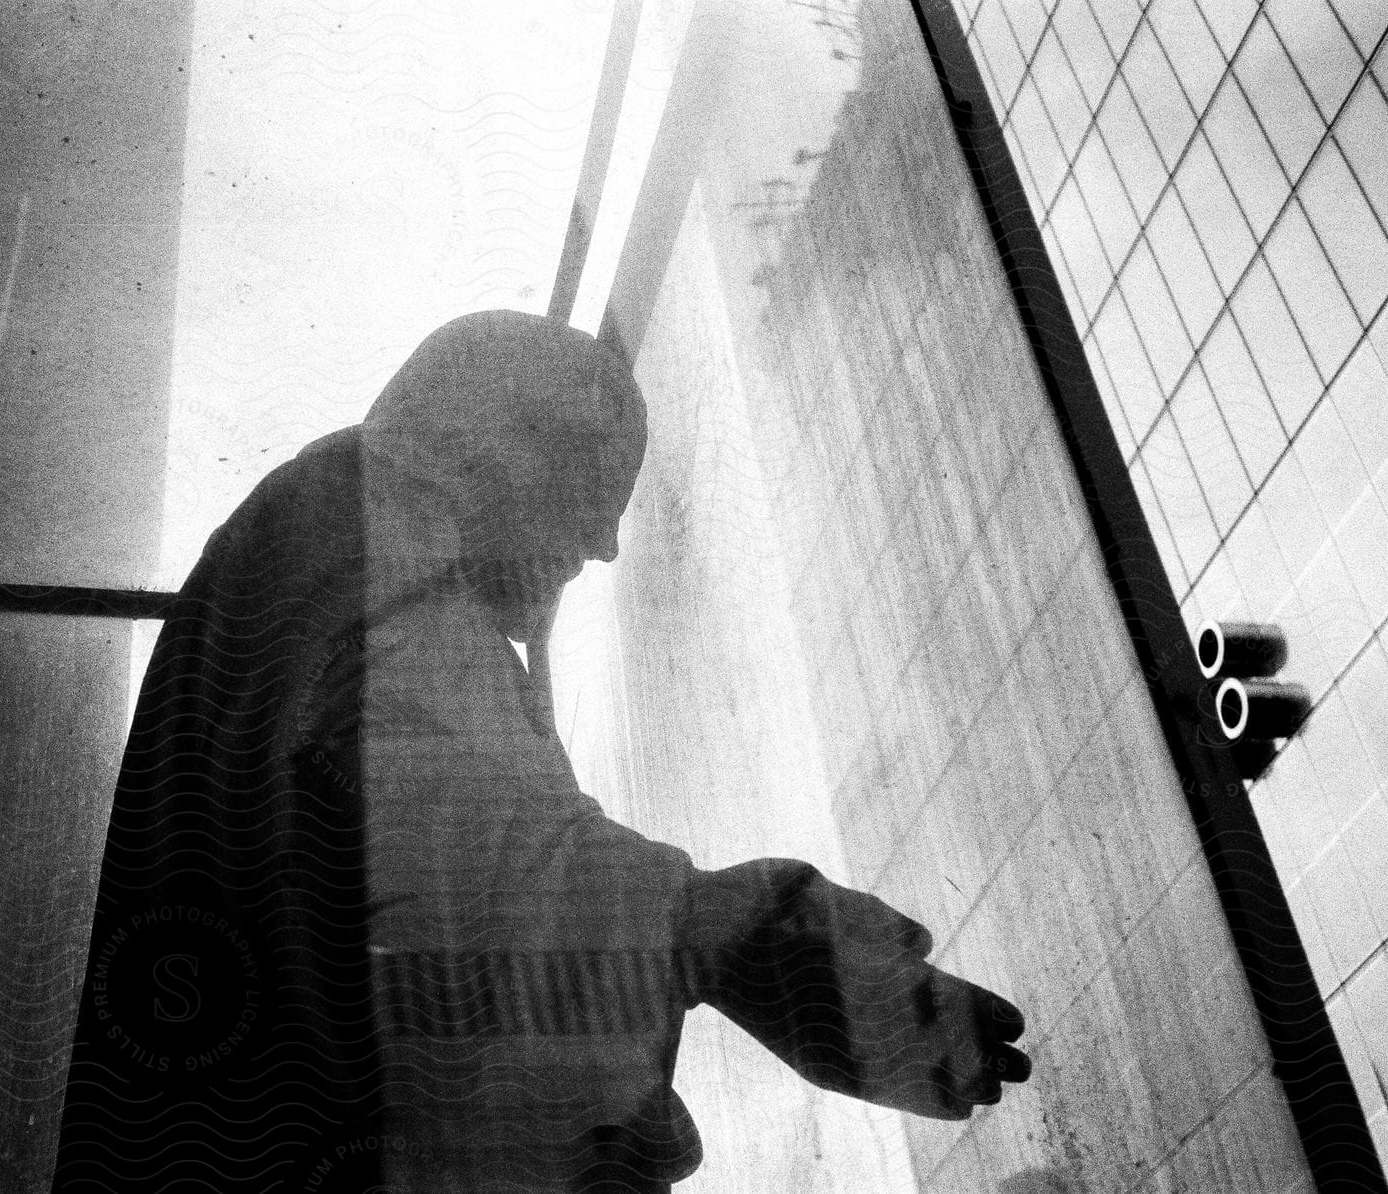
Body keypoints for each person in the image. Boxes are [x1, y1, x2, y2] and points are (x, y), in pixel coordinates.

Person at [52, 310, 1028, 1192]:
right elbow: (473, 853)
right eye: (592, 484)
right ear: (486, 436)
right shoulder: (378, 544)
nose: (603, 543)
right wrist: (735, 933)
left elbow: (389, 920)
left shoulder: (323, 554)